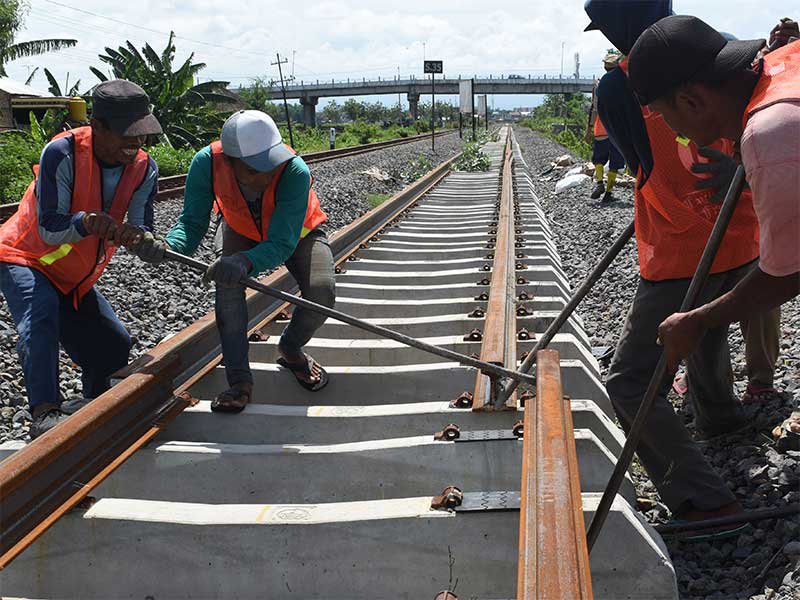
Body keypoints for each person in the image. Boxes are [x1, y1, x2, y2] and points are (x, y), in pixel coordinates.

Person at [583, 0, 771, 533]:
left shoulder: (619, 87)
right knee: (706, 328)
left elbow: (636, 161)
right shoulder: (717, 51)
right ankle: (720, 419)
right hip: (744, 238)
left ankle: (705, 500)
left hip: (680, 249)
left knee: (633, 382)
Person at [627, 16, 800, 446]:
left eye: (664, 116)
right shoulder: (784, 64)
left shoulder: (767, 136)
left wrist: (698, 320)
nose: (672, 131)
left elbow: (787, 273)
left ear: (690, 101)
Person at [132, 110, 335, 412]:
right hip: (239, 227)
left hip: (298, 233)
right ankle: (239, 382)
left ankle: (291, 349)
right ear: (230, 161)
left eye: (270, 165)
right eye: (255, 169)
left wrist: (245, 261)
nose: (265, 176)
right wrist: (167, 245)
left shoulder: (294, 171)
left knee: (322, 291)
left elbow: (281, 243)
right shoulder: (207, 163)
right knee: (227, 289)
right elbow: (192, 222)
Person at [0, 80, 162, 438]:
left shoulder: (144, 168)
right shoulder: (62, 153)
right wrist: (88, 222)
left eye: (142, 134)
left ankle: (94, 400)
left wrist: (145, 241)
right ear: (98, 126)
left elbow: (139, 226)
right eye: (127, 134)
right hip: (24, 255)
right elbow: (50, 229)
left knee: (115, 345)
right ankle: (45, 412)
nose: (136, 143)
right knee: (39, 316)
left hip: (73, 274)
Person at [585, 52, 626, 202]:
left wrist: (589, 130)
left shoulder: (598, 84)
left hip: (601, 129)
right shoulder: (624, 84)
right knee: (616, 161)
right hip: (618, 130)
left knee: (598, 159)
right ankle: (608, 193)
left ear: (604, 66)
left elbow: (594, 109)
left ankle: (599, 183)